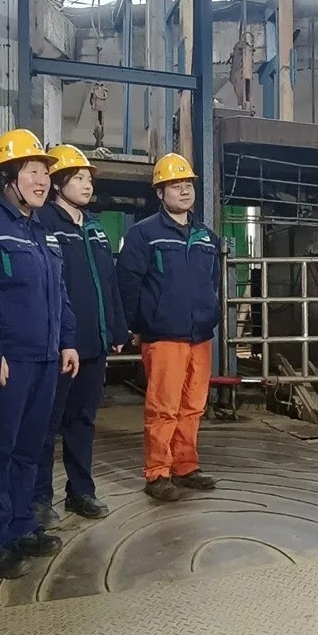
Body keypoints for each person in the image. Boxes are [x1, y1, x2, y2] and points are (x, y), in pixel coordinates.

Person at [0, 129, 80, 578]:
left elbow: (60, 292)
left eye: (45, 173)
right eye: (32, 171)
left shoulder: (43, 232)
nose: (42, 181)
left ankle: (21, 525)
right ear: (6, 177)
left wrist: (67, 339)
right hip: (10, 361)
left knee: (30, 448)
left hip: (46, 358)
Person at [33, 144, 128, 527]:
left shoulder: (94, 228)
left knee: (83, 421)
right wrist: (59, 338)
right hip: (60, 345)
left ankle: (81, 491)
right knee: (46, 423)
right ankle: (39, 498)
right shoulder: (44, 223)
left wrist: (116, 328)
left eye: (89, 179)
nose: (87, 185)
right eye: (78, 178)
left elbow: (110, 282)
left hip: (94, 342)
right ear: (57, 184)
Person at [116, 152, 220, 502]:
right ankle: (158, 472)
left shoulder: (207, 237)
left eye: (188, 184)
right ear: (160, 193)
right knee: (164, 407)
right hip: (163, 335)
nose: (184, 191)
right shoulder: (143, 235)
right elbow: (128, 283)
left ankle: (185, 465)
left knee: (193, 405)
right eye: (175, 185)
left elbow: (213, 282)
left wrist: (209, 314)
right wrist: (132, 325)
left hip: (200, 336)